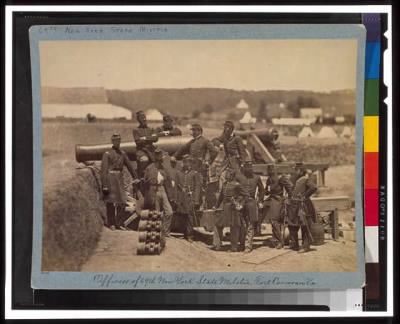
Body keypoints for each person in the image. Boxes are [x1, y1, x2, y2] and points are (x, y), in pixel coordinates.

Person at [101, 133, 138, 230]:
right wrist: (105, 185)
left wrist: (135, 177)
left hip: (119, 177)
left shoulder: (122, 153)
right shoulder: (107, 154)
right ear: (112, 141)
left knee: (121, 202)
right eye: (115, 140)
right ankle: (111, 223)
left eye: (119, 140)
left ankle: (118, 222)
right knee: (111, 202)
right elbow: (103, 170)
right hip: (110, 178)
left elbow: (130, 166)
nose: (117, 142)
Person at [235, 158, 265, 253]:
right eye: (247, 166)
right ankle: (242, 244)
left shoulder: (256, 178)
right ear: (243, 167)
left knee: (251, 224)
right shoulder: (238, 177)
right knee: (241, 224)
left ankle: (248, 246)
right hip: (241, 203)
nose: (249, 168)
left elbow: (262, 190)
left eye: (250, 166)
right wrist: (236, 201)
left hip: (251, 202)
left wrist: (260, 200)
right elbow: (234, 189)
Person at [143, 148, 175, 237]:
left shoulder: (164, 168)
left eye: (160, 155)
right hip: (153, 190)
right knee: (156, 213)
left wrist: (171, 196)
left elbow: (168, 182)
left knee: (169, 212)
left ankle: (165, 231)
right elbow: (145, 182)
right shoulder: (149, 168)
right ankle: (156, 233)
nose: (159, 157)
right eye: (157, 155)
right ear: (154, 157)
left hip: (162, 189)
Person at [287, 168, 317, 252]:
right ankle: (294, 244)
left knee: (305, 225)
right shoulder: (294, 180)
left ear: (300, 172)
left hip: (304, 206)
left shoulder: (305, 179)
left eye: (296, 170)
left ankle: (305, 246)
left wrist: (304, 196)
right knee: (292, 225)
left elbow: (314, 187)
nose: (294, 172)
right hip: (294, 206)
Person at [264, 164, 293, 249]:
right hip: (272, 200)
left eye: (272, 170)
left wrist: (289, 199)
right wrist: (266, 191)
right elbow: (266, 191)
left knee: (274, 220)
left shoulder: (281, 178)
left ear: (274, 170)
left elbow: (290, 187)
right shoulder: (269, 180)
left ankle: (280, 241)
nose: (270, 171)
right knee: (274, 220)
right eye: (269, 170)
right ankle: (276, 239)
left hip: (279, 200)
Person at [213, 168, 241, 252]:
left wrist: (236, 202)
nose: (226, 175)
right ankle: (217, 244)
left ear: (232, 175)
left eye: (228, 173)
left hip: (233, 209)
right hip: (225, 208)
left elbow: (241, 196)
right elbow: (221, 196)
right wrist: (216, 206)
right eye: (226, 173)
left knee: (234, 227)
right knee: (218, 224)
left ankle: (234, 247)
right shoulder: (225, 184)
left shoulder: (237, 185)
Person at [175, 155, 201, 242]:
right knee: (182, 216)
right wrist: (177, 199)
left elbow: (198, 187)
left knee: (190, 217)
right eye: (185, 162)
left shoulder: (194, 173)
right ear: (183, 163)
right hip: (182, 199)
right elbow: (176, 187)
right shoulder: (178, 173)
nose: (187, 164)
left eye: (189, 162)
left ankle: (190, 235)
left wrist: (196, 200)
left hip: (190, 198)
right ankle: (184, 233)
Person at [132, 110, 158, 176]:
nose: (144, 119)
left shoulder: (151, 129)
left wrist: (144, 138)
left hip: (151, 150)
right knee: (144, 160)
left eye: (144, 117)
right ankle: (140, 176)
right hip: (141, 151)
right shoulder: (136, 130)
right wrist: (149, 138)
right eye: (141, 118)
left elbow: (155, 138)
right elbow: (138, 141)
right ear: (138, 120)